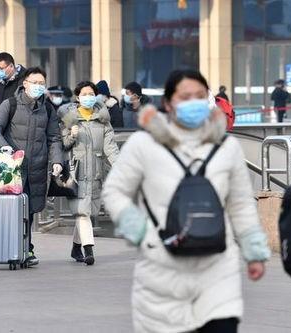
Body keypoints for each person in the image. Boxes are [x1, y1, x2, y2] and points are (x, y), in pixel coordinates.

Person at [102, 69, 270, 332]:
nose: (194, 102)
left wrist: (254, 251)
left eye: (200, 96)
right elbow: (115, 191)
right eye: (185, 96)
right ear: (168, 103)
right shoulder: (144, 145)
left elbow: (240, 203)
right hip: (161, 271)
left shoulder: (227, 147)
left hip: (217, 270)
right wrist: (139, 231)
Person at [0, 67, 63, 267]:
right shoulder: (10, 104)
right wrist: (3, 146)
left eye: (41, 83)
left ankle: (26, 249)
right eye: (34, 82)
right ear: (25, 84)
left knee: (27, 211)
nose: (38, 86)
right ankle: (3, 248)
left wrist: (56, 161)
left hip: (36, 168)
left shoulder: (47, 109)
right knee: (8, 211)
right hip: (11, 169)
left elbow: (54, 138)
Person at [59, 81, 119, 265]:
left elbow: (111, 147)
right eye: (84, 94)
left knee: (87, 212)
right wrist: (72, 135)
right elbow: (62, 144)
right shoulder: (68, 118)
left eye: (91, 93)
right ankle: (88, 250)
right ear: (78, 97)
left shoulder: (103, 120)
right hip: (75, 174)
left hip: (96, 173)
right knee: (82, 213)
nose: (88, 97)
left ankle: (76, 247)